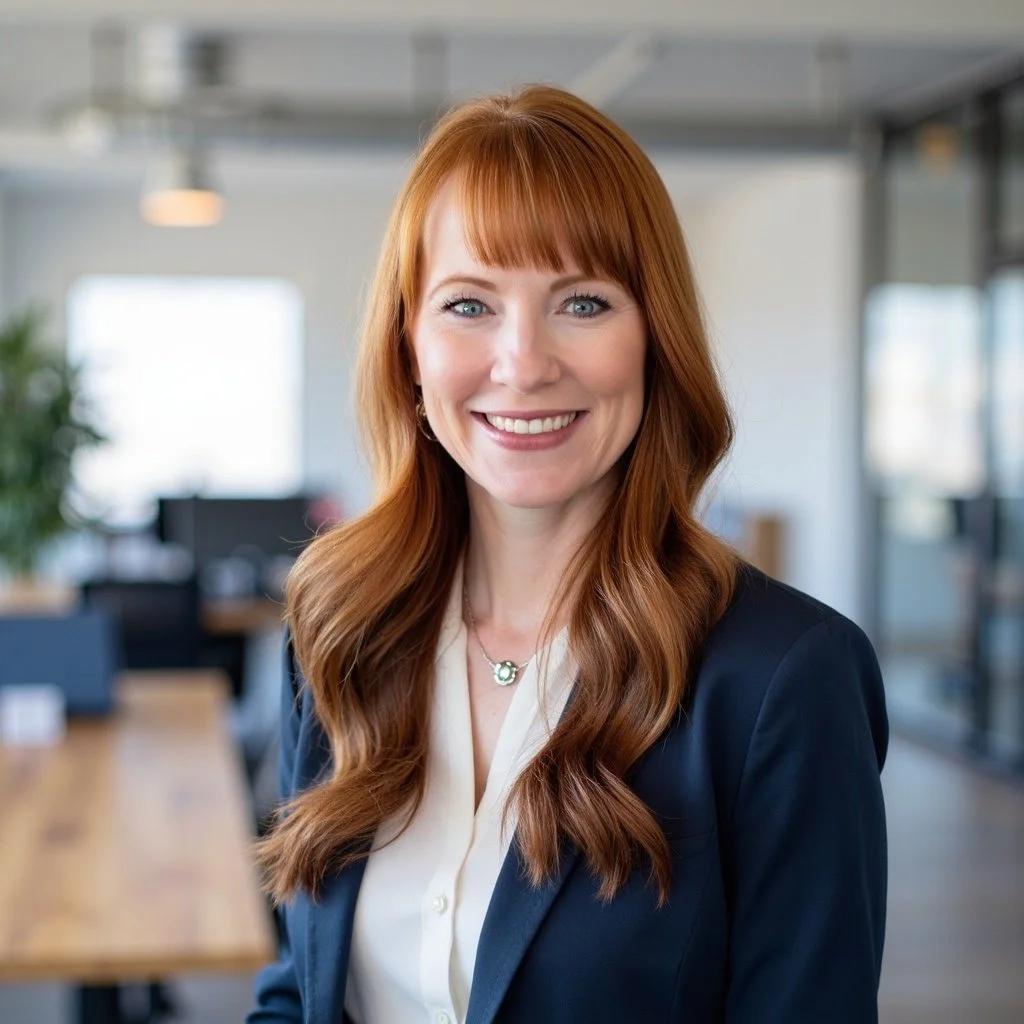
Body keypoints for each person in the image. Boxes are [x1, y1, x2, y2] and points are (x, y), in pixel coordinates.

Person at [248, 85, 888, 1024]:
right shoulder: (341, 629)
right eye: (469, 304)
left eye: (583, 302)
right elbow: (297, 988)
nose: (523, 362)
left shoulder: (782, 683)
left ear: (653, 339)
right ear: (409, 351)